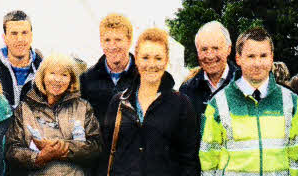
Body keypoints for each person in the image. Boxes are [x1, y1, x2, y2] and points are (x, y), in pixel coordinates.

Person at [199, 27, 298, 175]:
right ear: (238, 58)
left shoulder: (290, 101)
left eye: (263, 55)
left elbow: (296, 157)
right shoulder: (218, 103)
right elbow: (208, 160)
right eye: (251, 56)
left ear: (271, 57)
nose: (257, 63)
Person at [100, 28, 199, 176]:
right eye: (145, 57)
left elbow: (189, 161)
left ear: (166, 61)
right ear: (137, 59)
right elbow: (106, 153)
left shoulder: (182, 105)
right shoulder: (119, 103)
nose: (151, 64)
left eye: (158, 58)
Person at [6, 53, 101, 176]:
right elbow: (12, 150)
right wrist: (39, 157)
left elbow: (96, 146)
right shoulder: (25, 108)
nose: (57, 79)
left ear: (71, 80)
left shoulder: (82, 107)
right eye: (52, 73)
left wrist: (64, 147)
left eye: (64, 74)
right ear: (43, 76)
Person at [80, 13, 138, 125]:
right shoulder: (87, 80)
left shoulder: (142, 77)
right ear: (101, 42)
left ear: (129, 41)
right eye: (107, 40)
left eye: (118, 40)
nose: (112, 46)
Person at [180, 21, 238, 121]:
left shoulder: (244, 84)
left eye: (215, 48)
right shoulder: (187, 91)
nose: (210, 56)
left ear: (228, 49)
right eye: (204, 49)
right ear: (197, 52)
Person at [0, 10, 43, 108]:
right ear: (4, 38)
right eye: (14, 34)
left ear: (31, 36)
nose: (20, 39)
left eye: (24, 33)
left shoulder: (44, 70)